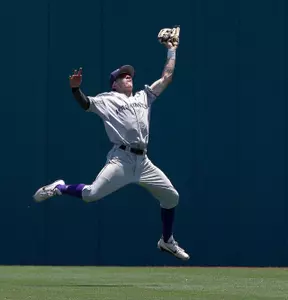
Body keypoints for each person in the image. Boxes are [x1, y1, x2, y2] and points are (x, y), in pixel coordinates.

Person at [32, 26, 189, 261]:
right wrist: (76, 89)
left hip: (143, 162)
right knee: (91, 194)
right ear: (113, 84)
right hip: (121, 160)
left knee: (171, 197)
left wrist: (172, 51)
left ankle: (166, 241)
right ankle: (60, 187)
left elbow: (167, 77)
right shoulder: (107, 99)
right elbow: (85, 104)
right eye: (122, 76)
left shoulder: (143, 97)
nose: (128, 77)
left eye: (129, 75)